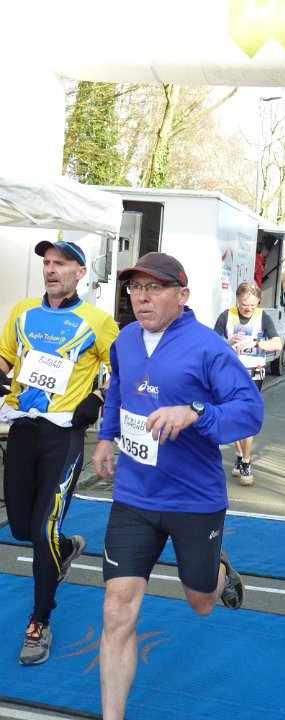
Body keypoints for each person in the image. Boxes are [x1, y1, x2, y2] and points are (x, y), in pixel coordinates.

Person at [91, 252, 263, 720]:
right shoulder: (125, 340)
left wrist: (196, 412)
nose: (141, 298)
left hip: (193, 499)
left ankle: (219, 571)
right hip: (134, 495)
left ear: (182, 295)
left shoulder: (208, 347)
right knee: (117, 609)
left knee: (201, 602)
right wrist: (107, 437)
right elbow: (119, 390)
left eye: (154, 288)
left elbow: (250, 411)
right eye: (135, 288)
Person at [0, 239, 118, 665]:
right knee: (21, 529)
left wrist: (98, 399)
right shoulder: (22, 312)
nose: (51, 270)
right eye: (47, 263)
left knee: (43, 530)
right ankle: (65, 549)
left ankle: (39, 622)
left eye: (61, 263)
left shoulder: (98, 321)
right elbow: (5, 360)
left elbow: (123, 370)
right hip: (22, 431)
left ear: (80, 273)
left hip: (63, 436)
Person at [214, 281, 281, 485]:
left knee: (247, 416)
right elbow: (211, 343)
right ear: (237, 300)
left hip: (254, 373)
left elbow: (278, 344)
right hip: (230, 373)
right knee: (233, 417)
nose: (248, 309)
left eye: (252, 304)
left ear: (258, 301)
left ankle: (246, 461)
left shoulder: (263, 317)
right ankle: (239, 455)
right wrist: (228, 342)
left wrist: (257, 342)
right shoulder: (226, 316)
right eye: (244, 304)